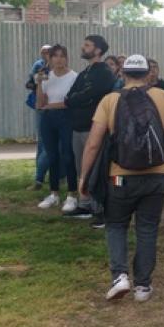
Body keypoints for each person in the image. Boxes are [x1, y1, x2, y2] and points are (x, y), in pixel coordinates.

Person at [77, 54, 164, 302]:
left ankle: (120, 277)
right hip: (157, 177)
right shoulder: (163, 98)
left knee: (116, 225)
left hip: (120, 178)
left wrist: (84, 177)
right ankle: (143, 286)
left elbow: (93, 145)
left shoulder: (110, 100)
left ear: (122, 73)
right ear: (149, 74)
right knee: (147, 229)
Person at [63, 34, 116, 225]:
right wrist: (74, 99)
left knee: (96, 170)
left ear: (98, 50)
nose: (83, 47)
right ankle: (85, 204)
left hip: (94, 128)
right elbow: (69, 96)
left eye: (87, 45)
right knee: (81, 167)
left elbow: (91, 94)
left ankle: (100, 209)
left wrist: (75, 99)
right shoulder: (85, 72)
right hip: (77, 128)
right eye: (84, 44)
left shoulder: (104, 72)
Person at [35, 44, 79, 212]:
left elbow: (72, 102)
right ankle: (53, 194)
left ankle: (72, 195)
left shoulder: (74, 77)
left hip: (66, 118)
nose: (59, 59)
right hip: (48, 119)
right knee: (52, 155)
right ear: (50, 59)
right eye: (55, 56)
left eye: (62, 56)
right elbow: (40, 104)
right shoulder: (47, 76)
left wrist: (51, 106)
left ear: (66, 58)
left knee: (68, 155)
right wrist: (39, 83)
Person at [26, 44, 52, 191]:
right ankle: (39, 178)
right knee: (43, 142)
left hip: (55, 107)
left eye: (48, 52)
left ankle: (57, 177)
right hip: (41, 106)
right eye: (43, 52)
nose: (45, 54)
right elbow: (31, 82)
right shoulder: (39, 65)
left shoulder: (57, 66)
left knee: (55, 146)